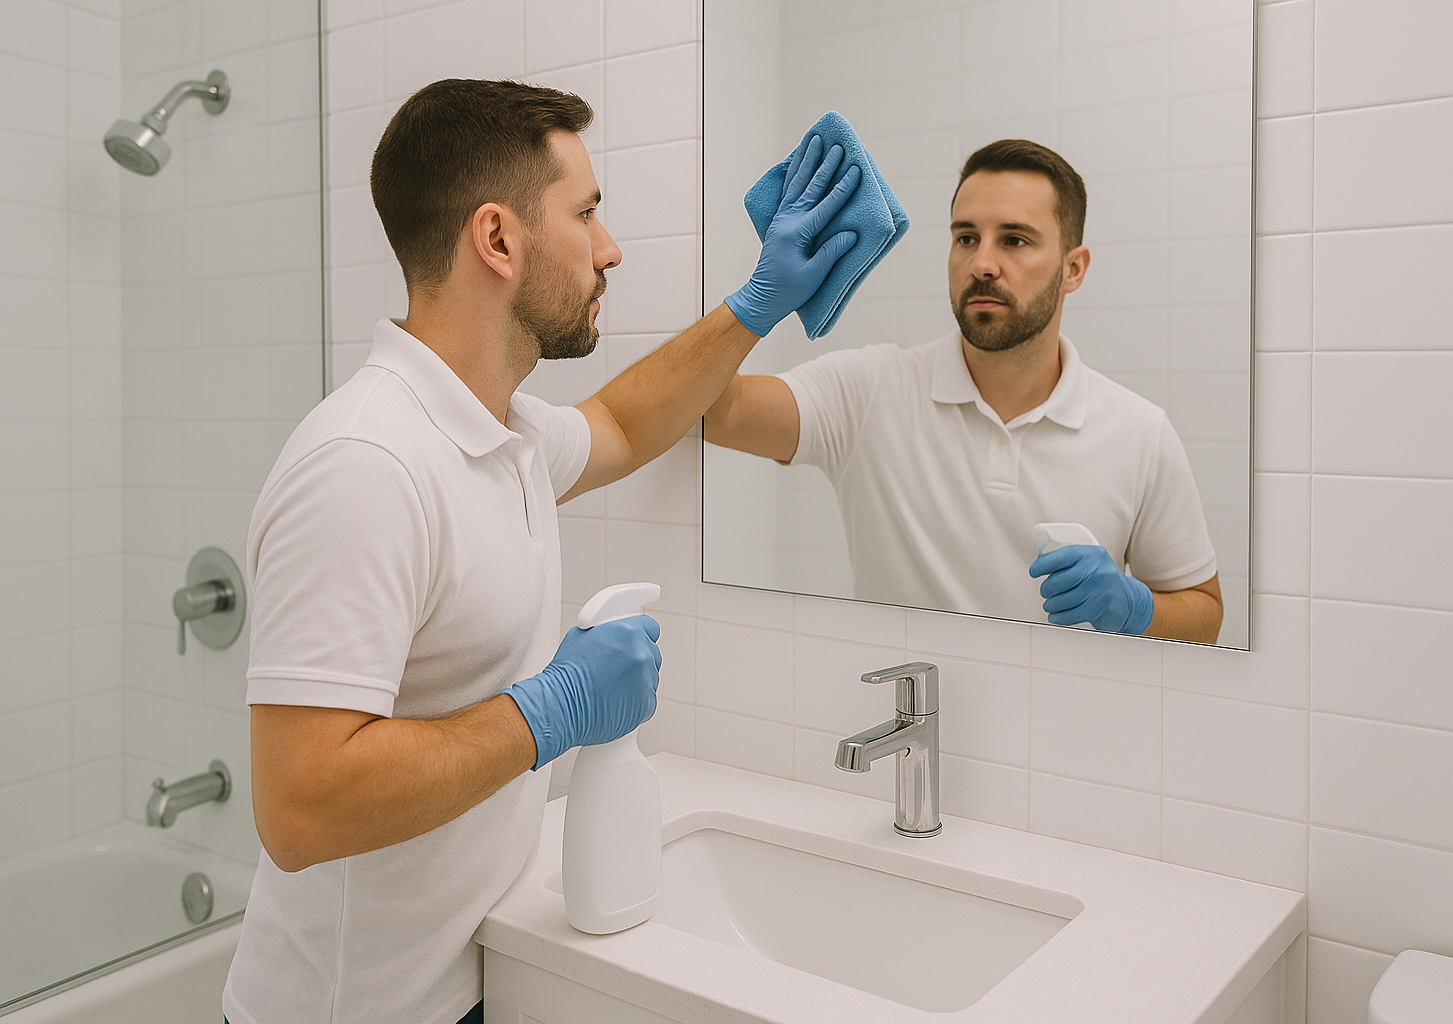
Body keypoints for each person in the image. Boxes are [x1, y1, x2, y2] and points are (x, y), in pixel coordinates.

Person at [222, 80, 860, 1024]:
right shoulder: (364, 464)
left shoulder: (502, 433)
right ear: (497, 239)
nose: (609, 249)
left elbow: (624, 421)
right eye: (587, 213)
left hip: (462, 984)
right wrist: (547, 713)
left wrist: (757, 304)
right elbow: (299, 809)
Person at [704, 139, 1223, 643]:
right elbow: (711, 412)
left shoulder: (1140, 432)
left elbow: (1205, 614)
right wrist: (757, 302)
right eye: (966, 237)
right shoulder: (866, 392)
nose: (981, 264)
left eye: (1014, 240)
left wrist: (1136, 607)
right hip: (902, 715)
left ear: (1073, 269)